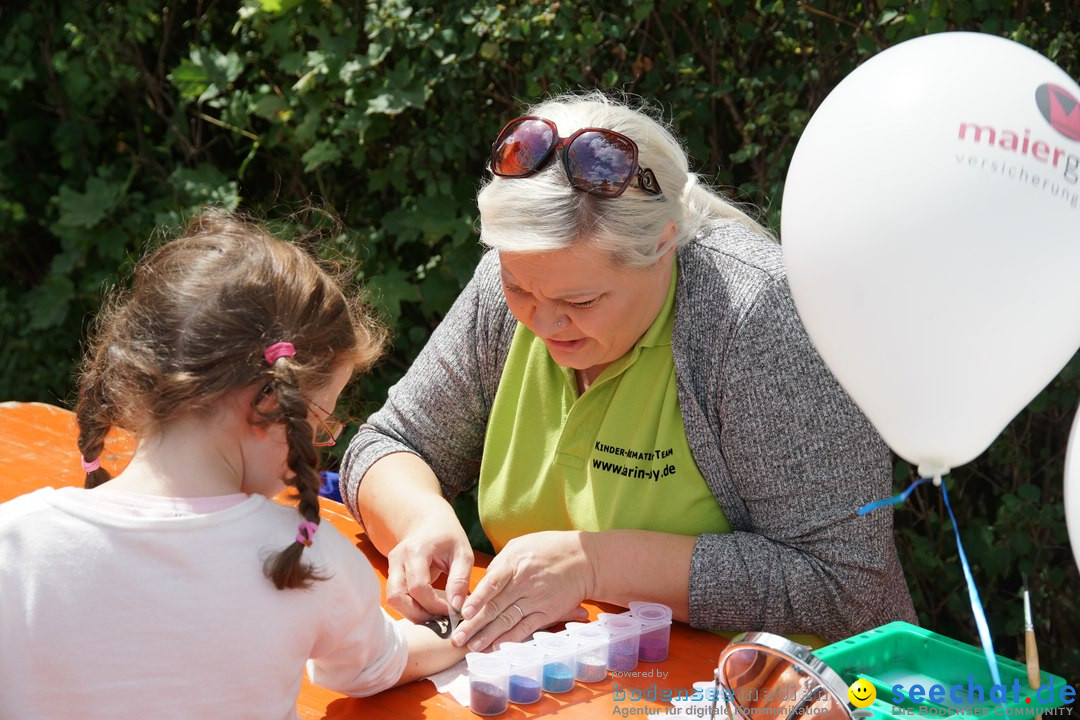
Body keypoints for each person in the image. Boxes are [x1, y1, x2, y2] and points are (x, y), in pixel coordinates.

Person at [341, 93, 917, 651]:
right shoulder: (519, 276)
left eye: (583, 301)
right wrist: (419, 521)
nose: (543, 321)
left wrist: (594, 565)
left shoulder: (758, 316)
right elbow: (389, 443)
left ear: (664, 246)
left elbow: (845, 582)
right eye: (518, 285)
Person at [0, 212, 465, 719]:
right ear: (271, 404)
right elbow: (377, 666)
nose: (320, 447)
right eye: (321, 425)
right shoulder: (307, 558)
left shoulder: (16, 541)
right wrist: (464, 630)